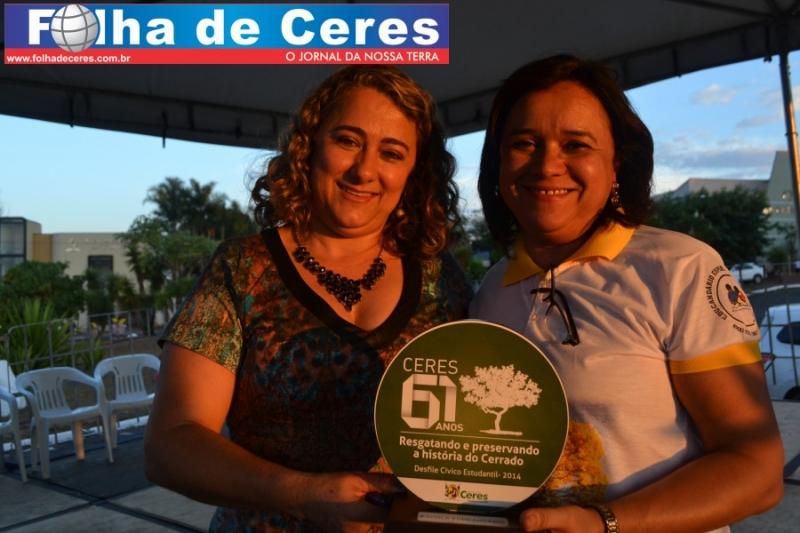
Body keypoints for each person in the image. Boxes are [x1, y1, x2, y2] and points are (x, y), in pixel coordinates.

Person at [144, 65, 471, 533]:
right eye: (348, 140)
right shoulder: (242, 269)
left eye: (391, 152)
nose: (364, 170)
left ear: (414, 173)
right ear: (309, 145)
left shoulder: (443, 277)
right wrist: (301, 494)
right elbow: (169, 446)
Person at [471, 55, 784, 533]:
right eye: (523, 143)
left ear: (617, 163)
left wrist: (604, 523)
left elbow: (756, 471)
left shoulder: (681, 269)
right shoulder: (492, 291)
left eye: (576, 145)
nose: (547, 164)